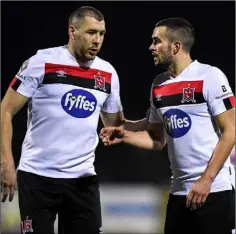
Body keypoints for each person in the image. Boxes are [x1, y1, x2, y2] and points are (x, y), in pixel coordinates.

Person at [100, 18, 235, 234]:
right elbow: (156, 138)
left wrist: (206, 180)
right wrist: (124, 134)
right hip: (178, 194)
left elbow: (231, 131)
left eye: (156, 41)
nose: (151, 47)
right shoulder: (158, 85)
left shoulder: (210, 76)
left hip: (213, 191)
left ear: (175, 46)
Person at [1, 6, 127, 234]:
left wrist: (153, 122)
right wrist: (7, 163)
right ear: (72, 31)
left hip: (83, 180)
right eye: (91, 32)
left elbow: (116, 126)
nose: (97, 40)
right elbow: (5, 111)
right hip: (37, 177)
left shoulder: (107, 73)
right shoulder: (42, 62)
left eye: (101, 33)